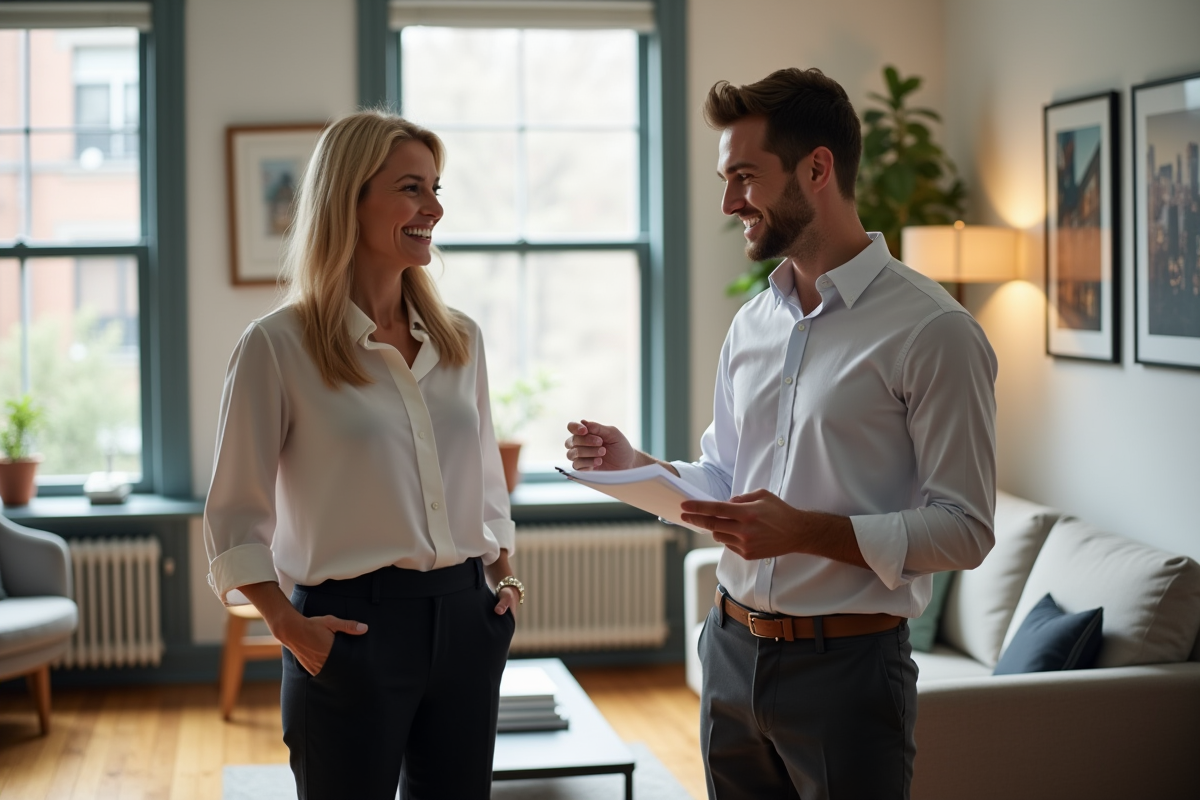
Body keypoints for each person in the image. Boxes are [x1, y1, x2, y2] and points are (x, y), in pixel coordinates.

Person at [565, 68, 997, 799]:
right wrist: (636, 464)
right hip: (730, 652)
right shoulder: (752, 324)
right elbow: (724, 479)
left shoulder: (934, 331)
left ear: (817, 169)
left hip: (849, 672)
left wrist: (804, 532)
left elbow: (966, 530)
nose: (729, 202)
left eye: (745, 177)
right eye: (726, 179)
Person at [204, 111, 523, 800]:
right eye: (411, 188)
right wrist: (289, 627)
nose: (434, 208)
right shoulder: (277, 346)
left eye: (436, 189)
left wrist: (504, 582)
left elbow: (484, 481)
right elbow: (233, 512)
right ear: (348, 199)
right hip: (348, 629)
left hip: (467, 620)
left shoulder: (461, 340)